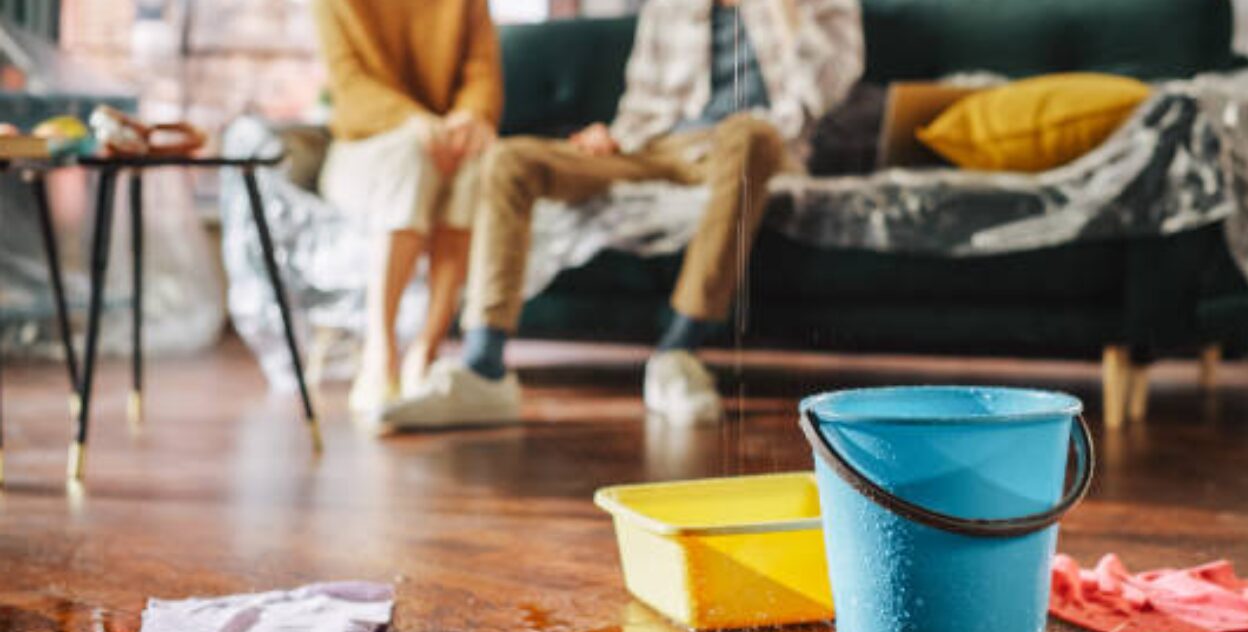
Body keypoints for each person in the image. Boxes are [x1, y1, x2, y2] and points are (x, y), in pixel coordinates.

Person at [380, 0, 864, 430]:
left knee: (749, 134)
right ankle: (483, 368)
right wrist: (613, 138)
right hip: (658, 147)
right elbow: (642, 103)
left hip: (748, 147)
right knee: (511, 161)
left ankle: (678, 351)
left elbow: (820, 91)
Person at [312, 0, 501, 414]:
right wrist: (414, 120)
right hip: (365, 147)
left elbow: (482, 71)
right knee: (411, 158)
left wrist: (469, 118)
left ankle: (426, 351)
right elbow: (349, 83)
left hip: (448, 142)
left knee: (482, 169)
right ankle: (381, 355)